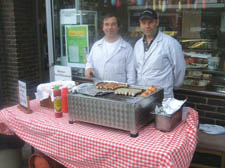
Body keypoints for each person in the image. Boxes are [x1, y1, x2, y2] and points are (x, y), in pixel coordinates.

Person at [134, 9, 186, 98]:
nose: (147, 26)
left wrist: (173, 87)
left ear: (157, 22)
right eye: (143, 23)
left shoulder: (170, 43)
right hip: (142, 95)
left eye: (150, 22)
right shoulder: (138, 44)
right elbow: (136, 68)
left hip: (162, 96)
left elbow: (180, 69)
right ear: (140, 24)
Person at [85, 13, 136, 84]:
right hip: (97, 88)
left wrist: (129, 91)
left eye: (113, 24)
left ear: (118, 27)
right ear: (103, 27)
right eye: (106, 24)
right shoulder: (96, 46)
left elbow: (131, 74)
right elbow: (89, 62)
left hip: (118, 91)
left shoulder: (127, 48)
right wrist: (88, 68)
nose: (110, 27)